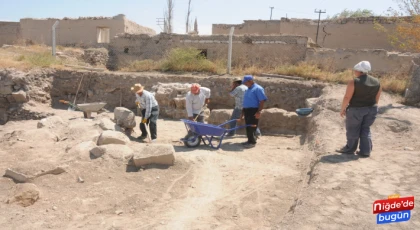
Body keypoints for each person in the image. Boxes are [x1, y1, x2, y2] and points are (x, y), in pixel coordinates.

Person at [336, 61, 382, 158]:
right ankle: (365, 151)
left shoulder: (354, 82)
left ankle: (350, 149)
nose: (354, 72)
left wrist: (342, 109)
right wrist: (371, 108)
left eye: (355, 70)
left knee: (353, 129)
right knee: (365, 129)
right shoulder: (377, 82)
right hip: (372, 109)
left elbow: (347, 97)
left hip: (356, 110)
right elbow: (377, 98)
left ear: (359, 71)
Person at [239, 75, 268, 148]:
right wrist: (243, 111)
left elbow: (262, 101)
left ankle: (252, 142)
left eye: (246, 82)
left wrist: (259, 112)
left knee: (252, 126)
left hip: (253, 110)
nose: (245, 84)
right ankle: (249, 140)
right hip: (247, 110)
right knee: (248, 126)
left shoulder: (258, 88)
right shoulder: (248, 89)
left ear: (250, 81)